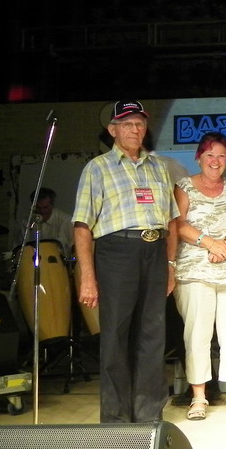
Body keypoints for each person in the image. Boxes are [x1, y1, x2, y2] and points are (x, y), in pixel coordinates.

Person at [72, 100, 179, 424]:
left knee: (152, 335)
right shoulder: (98, 168)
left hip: (154, 251)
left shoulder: (158, 167)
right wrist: (87, 277)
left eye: (140, 124)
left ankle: (148, 415)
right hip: (117, 251)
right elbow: (82, 225)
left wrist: (170, 265)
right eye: (128, 124)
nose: (135, 129)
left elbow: (171, 220)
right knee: (116, 335)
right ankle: (116, 418)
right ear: (113, 129)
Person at [173, 132, 226, 420]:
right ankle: (199, 397)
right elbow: (178, 224)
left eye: (221, 155)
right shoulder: (184, 186)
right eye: (210, 155)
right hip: (195, 269)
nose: (215, 161)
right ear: (199, 157)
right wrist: (210, 243)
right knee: (197, 334)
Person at [25, 187, 74, 253]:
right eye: (38, 208)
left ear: (52, 205)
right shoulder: (26, 223)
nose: (42, 211)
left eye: (45, 207)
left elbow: (74, 248)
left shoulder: (66, 221)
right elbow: (19, 247)